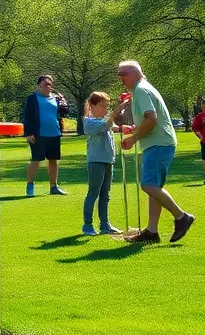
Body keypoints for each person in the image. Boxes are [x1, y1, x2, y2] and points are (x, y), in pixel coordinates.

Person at [117, 61, 195, 244]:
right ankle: (151, 232)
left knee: (149, 185)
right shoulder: (140, 90)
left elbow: (152, 118)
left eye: (124, 73)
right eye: (119, 74)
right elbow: (149, 120)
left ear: (136, 73)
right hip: (159, 143)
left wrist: (134, 138)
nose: (120, 77)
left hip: (158, 144)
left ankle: (181, 217)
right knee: (155, 188)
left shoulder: (141, 90)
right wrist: (135, 130)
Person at [81, 92, 129, 235]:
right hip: (96, 162)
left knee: (105, 195)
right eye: (102, 105)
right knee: (93, 193)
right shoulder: (89, 122)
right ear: (92, 106)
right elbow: (106, 124)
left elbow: (113, 124)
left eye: (106, 106)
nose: (105, 109)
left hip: (108, 161)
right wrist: (117, 110)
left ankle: (105, 225)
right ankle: (87, 225)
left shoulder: (105, 120)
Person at [23, 75, 69, 196]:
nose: (49, 87)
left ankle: (54, 187)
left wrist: (63, 103)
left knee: (53, 160)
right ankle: (30, 185)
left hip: (54, 133)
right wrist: (28, 133)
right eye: (45, 84)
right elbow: (27, 116)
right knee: (36, 159)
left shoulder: (56, 98)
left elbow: (64, 113)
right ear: (39, 86)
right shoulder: (33, 98)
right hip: (38, 134)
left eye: (50, 84)